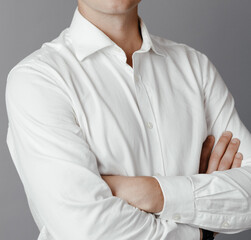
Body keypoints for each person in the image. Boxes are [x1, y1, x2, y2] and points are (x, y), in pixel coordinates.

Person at [5, 1, 251, 239]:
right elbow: (88, 232)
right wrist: (203, 228)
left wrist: (152, 192)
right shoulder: (39, 79)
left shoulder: (194, 67)